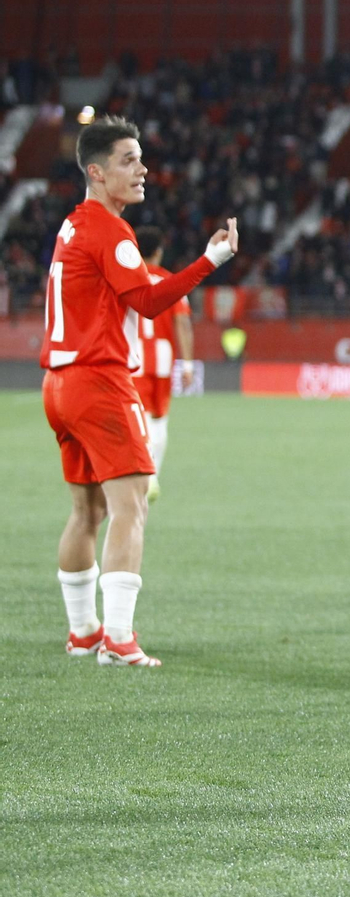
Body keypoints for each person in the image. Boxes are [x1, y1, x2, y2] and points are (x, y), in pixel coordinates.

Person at [42, 116, 238, 668]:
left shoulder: (72, 226)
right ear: (98, 173)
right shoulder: (109, 230)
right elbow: (149, 303)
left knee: (87, 511)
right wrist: (211, 260)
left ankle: (83, 631)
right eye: (129, 160)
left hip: (58, 383)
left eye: (141, 158)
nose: (143, 169)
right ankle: (119, 640)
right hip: (99, 380)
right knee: (131, 508)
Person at [131, 226, 196, 502]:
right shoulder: (172, 282)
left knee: (139, 417)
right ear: (159, 251)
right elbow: (182, 323)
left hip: (133, 357)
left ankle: (145, 475)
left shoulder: (126, 279)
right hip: (163, 357)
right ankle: (154, 473)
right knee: (159, 419)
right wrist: (189, 364)